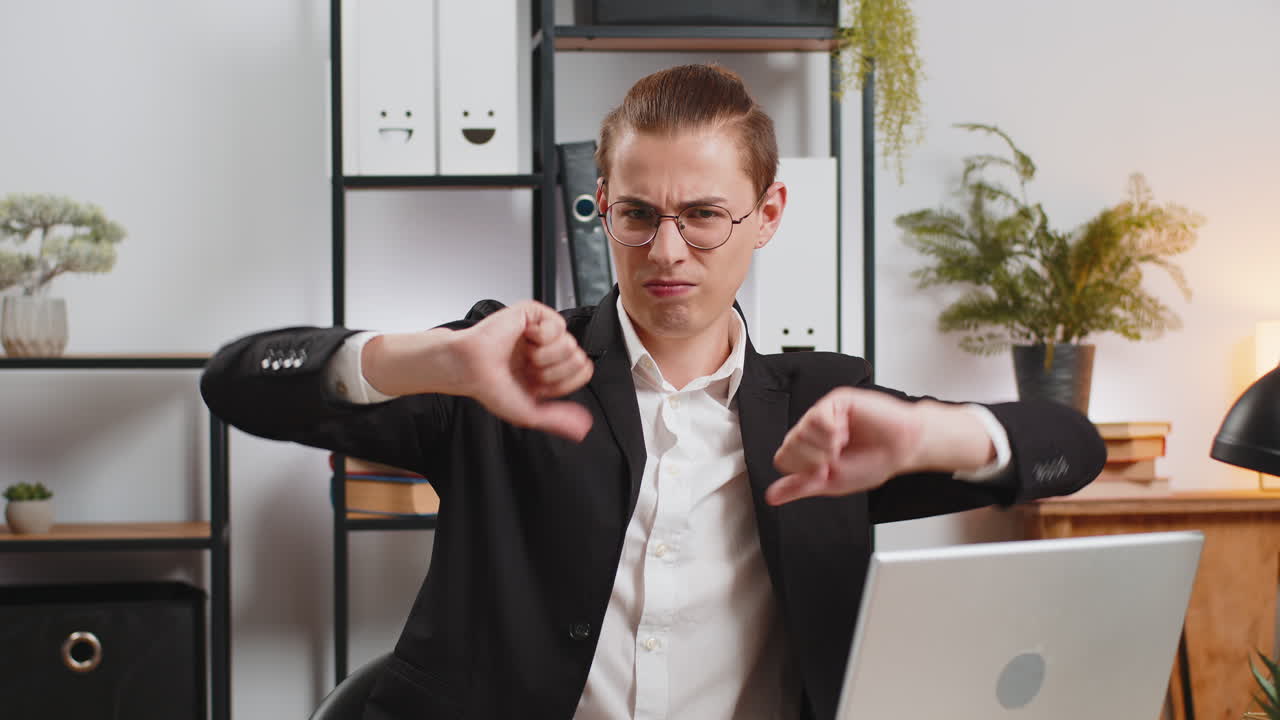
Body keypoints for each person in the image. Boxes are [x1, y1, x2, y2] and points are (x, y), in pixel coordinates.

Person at [201, 64, 1104, 720]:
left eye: (704, 215)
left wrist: (928, 438)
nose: (667, 252)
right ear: (603, 205)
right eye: (637, 215)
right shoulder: (509, 368)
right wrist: (427, 360)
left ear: (769, 215)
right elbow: (238, 381)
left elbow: (1071, 443)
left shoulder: (826, 409)